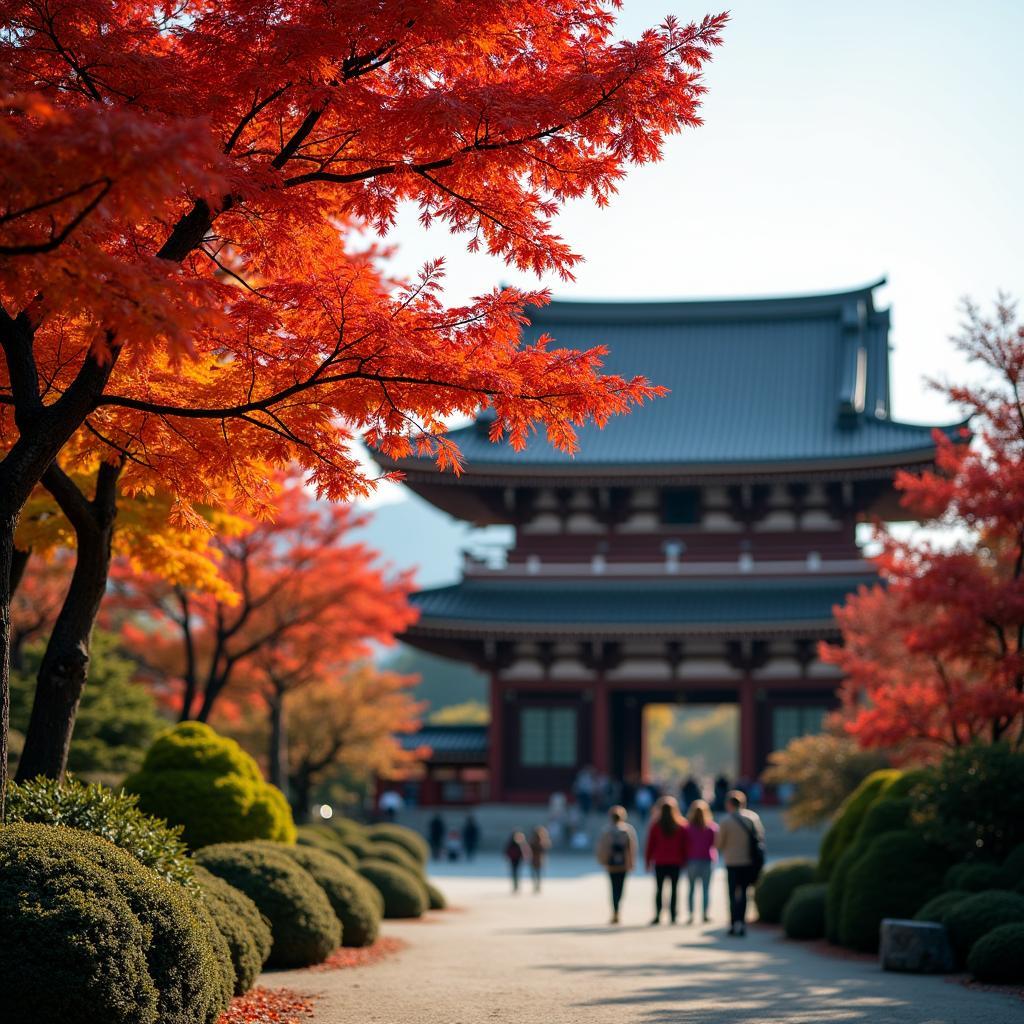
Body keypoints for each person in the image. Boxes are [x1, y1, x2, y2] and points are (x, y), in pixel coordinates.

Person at [715, 789, 765, 936]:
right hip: (748, 861)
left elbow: (719, 844)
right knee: (744, 893)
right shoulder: (752, 818)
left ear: (729, 804)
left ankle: (732, 924)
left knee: (732, 894)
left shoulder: (725, 821)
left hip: (732, 861)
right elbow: (760, 837)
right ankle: (742, 923)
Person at [644, 796, 688, 925]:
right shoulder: (681, 825)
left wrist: (647, 862)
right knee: (674, 889)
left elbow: (650, 845)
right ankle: (673, 915)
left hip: (660, 861)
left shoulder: (655, 825)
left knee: (659, 889)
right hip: (676, 862)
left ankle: (658, 915)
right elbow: (684, 845)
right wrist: (684, 860)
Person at [596, 805, 638, 924]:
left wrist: (602, 860)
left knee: (613, 887)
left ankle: (615, 910)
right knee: (620, 888)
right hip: (623, 864)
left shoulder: (607, 830)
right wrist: (631, 863)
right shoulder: (627, 830)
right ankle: (618, 908)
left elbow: (601, 848)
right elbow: (632, 848)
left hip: (611, 864)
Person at [685, 799, 718, 924]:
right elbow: (716, 844)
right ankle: (704, 914)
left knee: (691, 889)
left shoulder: (688, 828)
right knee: (706, 889)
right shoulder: (712, 827)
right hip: (707, 860)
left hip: (692, 860)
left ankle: (691, 914)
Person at [528, 826, 552, 892]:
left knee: (535, 873)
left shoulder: (534, 840)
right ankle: (537, 886)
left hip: (534, 859)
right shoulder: (542, 840)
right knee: (538, 873)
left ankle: (536, 886)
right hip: (539, 860)